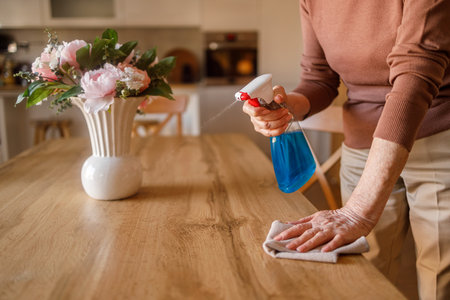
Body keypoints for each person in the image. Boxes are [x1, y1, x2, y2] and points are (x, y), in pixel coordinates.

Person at [242, 1, 450, 299]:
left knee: (440, 274)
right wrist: (286, 107)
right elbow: (319, 79)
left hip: (438, 137)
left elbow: (416, 77)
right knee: (365, 269)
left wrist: (357, 212)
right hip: (361, 147)